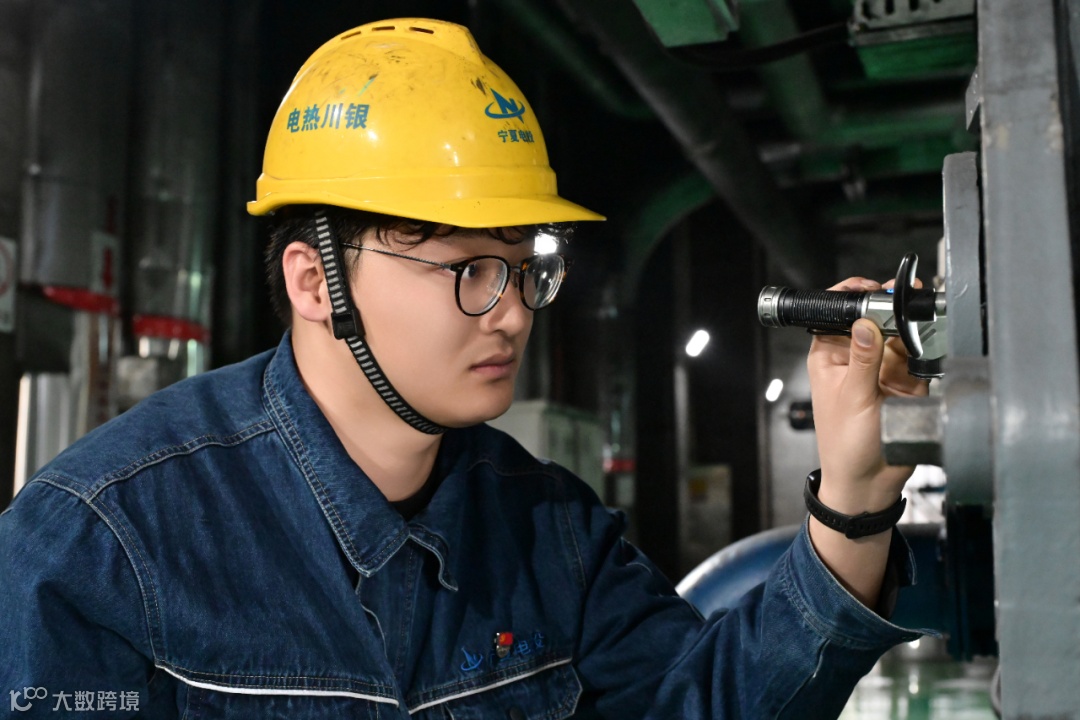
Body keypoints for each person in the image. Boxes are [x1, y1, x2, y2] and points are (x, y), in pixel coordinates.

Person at [0, 18, 931, 719]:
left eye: (526, 268)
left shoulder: (551, 533)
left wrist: (853, 499)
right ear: (316, 281)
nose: (515, 311)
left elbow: (700, 704)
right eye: (470, 270)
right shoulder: (97, 547)